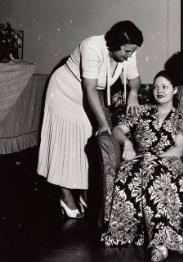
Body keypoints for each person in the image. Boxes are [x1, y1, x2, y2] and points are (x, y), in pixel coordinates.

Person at [37, 20, 143, 219]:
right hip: (64, 92)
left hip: (87, 96)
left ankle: (85, 193)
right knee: (67, 143)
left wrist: (134, 93)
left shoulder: (129, 51)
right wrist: (103, 123)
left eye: (132, 52)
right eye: (127, 51)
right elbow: (90, 89)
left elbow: (134, 79)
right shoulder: (92, 46)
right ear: (115, 43)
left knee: (87, 141)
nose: (129, 56)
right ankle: (65, 195)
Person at [101, 71, 183, 261]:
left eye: (164, 87)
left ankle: (160, 243)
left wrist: (153, 159)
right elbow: (117, 130)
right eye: (155, 87)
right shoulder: (142, 111)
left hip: (168, 162)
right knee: (135, 172)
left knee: (153, 172)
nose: (159, 91)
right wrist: (127, 144)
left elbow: (178, 149)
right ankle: (133, 236)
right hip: (139, 162)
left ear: (175, 90)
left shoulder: (182, 115)